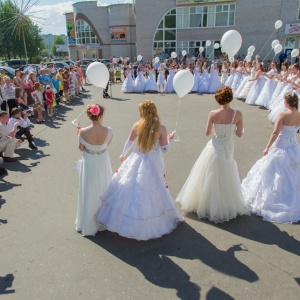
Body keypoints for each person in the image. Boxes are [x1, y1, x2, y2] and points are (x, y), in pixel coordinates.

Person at [97, 100, 184, 240]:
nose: (139, 113)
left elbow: (129, 142)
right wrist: (170, 139)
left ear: (143, 113)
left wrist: (123, 154)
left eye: (140, 111)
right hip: (153, 161)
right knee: (153, 188)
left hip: (137, 158)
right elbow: (165, 149)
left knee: (129, 186)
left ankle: (124, 220)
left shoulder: (137, 125)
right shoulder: (161, 128)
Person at [176, 86, 249, 223]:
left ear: (218, 99)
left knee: (210, 171)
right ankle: (226, 203)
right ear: (230, 98)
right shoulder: (237, 114)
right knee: (227, 171)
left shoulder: (213, 113)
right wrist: (237, 129)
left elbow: (207, 133)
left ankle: (208, 203)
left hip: (215, 145)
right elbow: (239, 134)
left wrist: (217, 127)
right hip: (228, 145)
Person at [242, 92, 300, 223]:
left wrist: (267, 147)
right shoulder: (299, 114)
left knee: (273, 173)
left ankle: (273, 201)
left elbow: (275, 132)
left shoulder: (283, 115)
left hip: (281, 146)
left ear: (286, 102)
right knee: (292, 175)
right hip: (294, 146)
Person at [76, 104, 113, 236]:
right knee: (104, 187)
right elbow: (106, 145)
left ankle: (88, 222)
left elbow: (81, 148)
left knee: (89, 189)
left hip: (89, 161)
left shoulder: (83, 132)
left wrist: (80, 133)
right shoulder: (109, 130)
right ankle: (104, 219)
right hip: (103, 160)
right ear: (101, 116)